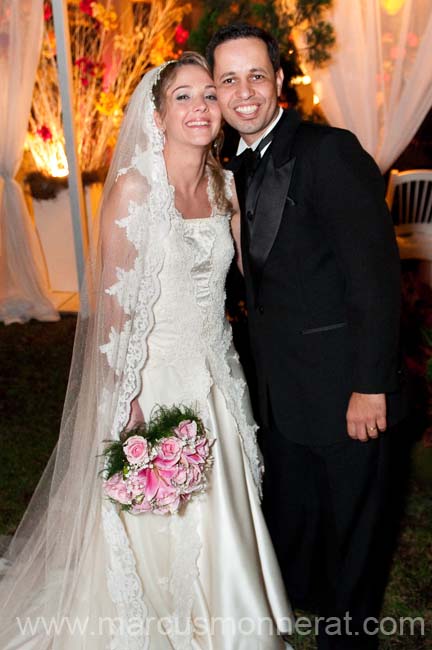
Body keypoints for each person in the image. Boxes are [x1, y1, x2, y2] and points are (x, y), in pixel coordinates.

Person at [0, 53, 294, 649]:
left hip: (217, 372)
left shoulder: (225, 184)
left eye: (209, 95)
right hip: (153, 377)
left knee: (225, 512)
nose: (201, 108)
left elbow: (251, 275)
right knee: (161, 523)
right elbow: (111, 309)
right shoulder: (135, 190)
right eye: (182, 97)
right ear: (157, 117)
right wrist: (126, 394)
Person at [207, 24, 405, 650]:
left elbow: (374, 280)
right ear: (213, 90)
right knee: (302, 531)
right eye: (228, 79)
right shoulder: (224, 167)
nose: (244, 92)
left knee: (354, 541)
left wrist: (371, 386)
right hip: (279, 396)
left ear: (280, 81)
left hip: (347, 392)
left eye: (256, 76)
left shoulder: (329, 152)